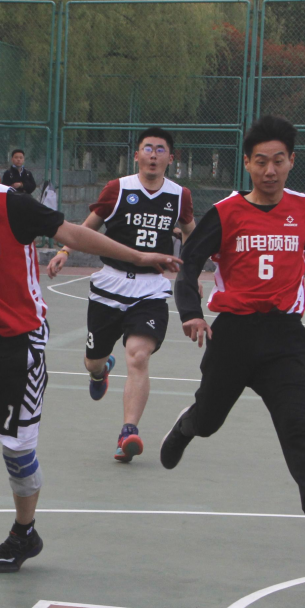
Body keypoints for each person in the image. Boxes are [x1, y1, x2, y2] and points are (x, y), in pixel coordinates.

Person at [0, 117, 182, 572]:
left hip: (19, 345)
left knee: (17, 449)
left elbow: (71, 232)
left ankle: (24, 533)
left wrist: (139, 256)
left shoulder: (10, 204)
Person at [164, 115, 305, 557]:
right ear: (247, 164)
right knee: (209, 421)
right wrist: (191, 313)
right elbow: (189, 265)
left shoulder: (303, 206)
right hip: (234, 335)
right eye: (261, 162)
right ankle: (187, 424)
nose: (270, 170)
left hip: (284, 337)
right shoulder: (225, 213)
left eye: (279, 160)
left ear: (292, 161)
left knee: (299, 426)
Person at [46, 127, 196, 461]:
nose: (153, 155)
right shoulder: (118, 189)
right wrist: (65, 252)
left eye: (160, 149)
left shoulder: (179, 195)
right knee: (92, 361)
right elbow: (87, 228)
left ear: (171, 158)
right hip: (110, 285)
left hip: (151, 289)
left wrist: (191, 271)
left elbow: (190, 232)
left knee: (139, 356)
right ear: (137, 155)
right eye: (148, 148)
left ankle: (128, 431)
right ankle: (100, 371)